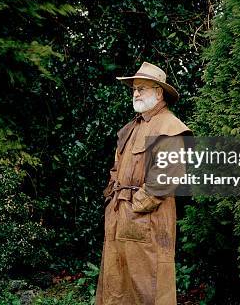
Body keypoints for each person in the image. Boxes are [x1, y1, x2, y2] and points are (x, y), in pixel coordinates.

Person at [96, 61, 191, 305]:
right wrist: (114, 201)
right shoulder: (131, 128)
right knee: (116, 285)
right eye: (134, 89)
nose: (136, 93)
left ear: (159, 93)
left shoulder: (170, 127)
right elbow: (116, 169)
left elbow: (166, 176)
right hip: (119, 218)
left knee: (148, 287)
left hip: (148, 221)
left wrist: (134, 206)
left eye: (142, 88)